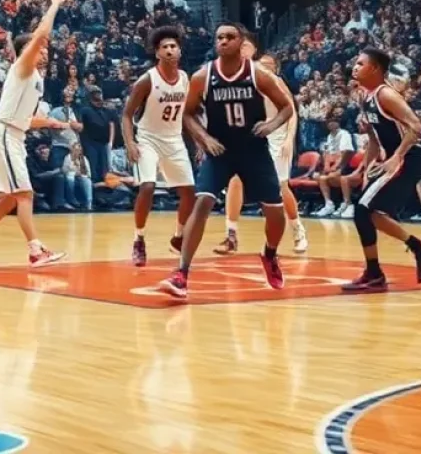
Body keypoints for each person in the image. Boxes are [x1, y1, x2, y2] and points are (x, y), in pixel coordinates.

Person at [158, 22, 295, 301]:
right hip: (220, 150)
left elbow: (287, 107)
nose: (223, 41)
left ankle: (269, 253)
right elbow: (187, 114)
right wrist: (204, 139)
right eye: (219, 37)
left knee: (275, 211)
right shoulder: (203, 76)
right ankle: (181, 273)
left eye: (229, 37)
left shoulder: (258, 74)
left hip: (254, 149)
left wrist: (271, 126)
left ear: (241, 42)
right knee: (203, 201)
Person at [0, 0, 70, 270]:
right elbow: (41, 33)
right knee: (24, 194)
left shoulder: (35, 80)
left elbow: (26, 120)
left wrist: (51, 123)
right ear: (28, 50)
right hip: (4, 134)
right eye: (40, 47)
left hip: (11, 133)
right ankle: (35, 250)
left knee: (10, 199)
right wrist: (54, 5)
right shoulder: (22, 66)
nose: (45, 50)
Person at [341, 47, 421, 293]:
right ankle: (419, 247)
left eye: (360, 63)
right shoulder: (366, 97)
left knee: (363, 210)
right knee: (370, 212)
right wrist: (363, 170)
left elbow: (416, 126)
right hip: (393, 158)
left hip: (409, 157)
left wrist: (396, 156)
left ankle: (375, 273)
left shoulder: (387, 95)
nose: (355, 67)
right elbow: (374, 139)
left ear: (374, 69)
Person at [213, 44, 308, 255]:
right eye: (260, 65)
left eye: (268, 66)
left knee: (280, 186)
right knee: (234, 180)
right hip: (255, 137)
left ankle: (298, 230)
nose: (263, 68)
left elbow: (291, 112)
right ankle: (231, 236)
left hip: (279, 136)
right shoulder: (248, 82)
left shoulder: (277, 82)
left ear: (275, 68)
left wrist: (289, 140)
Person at [121, 25, 195, 266]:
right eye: (165, 47)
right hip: (148, 139)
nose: (170, 50)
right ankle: (138, 239)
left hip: (174, 140)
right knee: (148, 187)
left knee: (189, 193)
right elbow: (126, 114)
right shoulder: (147, 80)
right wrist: (130, 142)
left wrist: (199, 140)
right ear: (157, 53)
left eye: (174, 46)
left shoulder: (185, 79)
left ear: (180, 51)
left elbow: (186, 114)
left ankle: (178, 237)